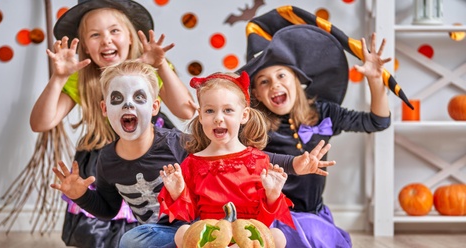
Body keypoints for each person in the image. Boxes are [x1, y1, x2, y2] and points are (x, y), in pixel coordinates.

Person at [51, 60, 335, 248]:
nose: (127, 106)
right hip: (177, 230)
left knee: (275, 237)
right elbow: (110, 208)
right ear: (105, 109)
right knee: (133, 240)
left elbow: (257, 160)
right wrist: (80, 195)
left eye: (138, 98)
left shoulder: (180, 145)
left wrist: (296, 164)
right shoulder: (108, 160)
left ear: (154, 107)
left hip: (225, 228)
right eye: (210, 112)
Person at [30, 0, 195, 247]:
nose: (106, 40)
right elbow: (41, 123)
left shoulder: (150, 70)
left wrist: (159, 66)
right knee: (103, 233)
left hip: (153, 154)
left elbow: (186, 110)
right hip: (102, 160)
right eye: (95, 34)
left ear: (130, 37)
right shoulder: (80, 78)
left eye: (114, 31)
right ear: (85, 45)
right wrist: (59, 77)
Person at [239, 6, 397, 248]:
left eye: (282, 76)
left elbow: (378, 121)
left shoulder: (324, 113)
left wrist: (375, 80)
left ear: (296, 79)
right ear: (257, 94)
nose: (275, 85)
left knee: (320, 236)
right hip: (270, 216)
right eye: (264, 81)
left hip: (314, 215)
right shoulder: (252, 125)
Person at [157, 71, 323, 248]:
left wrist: (272, 194)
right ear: (201, 115)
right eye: (210, 111)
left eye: (228, 110)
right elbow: (189, 215)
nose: (218, 118)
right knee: (182, 233)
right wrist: (177, 192)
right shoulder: (192, 163)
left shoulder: (258, 160)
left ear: (244, 115)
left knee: (278, 236)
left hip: (247, 235)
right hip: (211, 236)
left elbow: (264, 222)